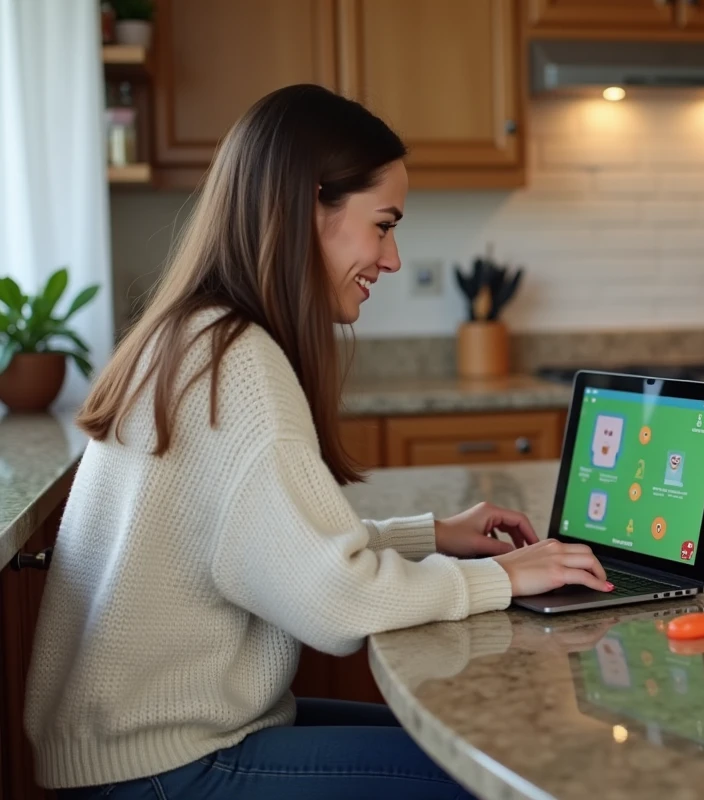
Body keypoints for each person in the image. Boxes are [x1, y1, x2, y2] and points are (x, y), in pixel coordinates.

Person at [26, 83, 611, 800]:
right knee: (500, 780)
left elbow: (265, 549)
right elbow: (337, 605)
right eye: (384, 224)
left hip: (142, 748)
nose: (391, 258)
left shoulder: (195, 333)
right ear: (310, 206)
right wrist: (509, 577)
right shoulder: (235, 361)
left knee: (475, 745)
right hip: (165, 769)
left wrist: (432, 534)